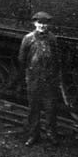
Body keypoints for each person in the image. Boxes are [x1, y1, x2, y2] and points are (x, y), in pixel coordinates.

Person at [18, 11, 60, 146]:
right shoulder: (28, 39)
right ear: (35, 23)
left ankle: (51, 135)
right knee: (33, 109)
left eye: (45, 23)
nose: (42, 26)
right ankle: (33, 136)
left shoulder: (53, 39)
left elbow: (57, 59)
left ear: (48, 25)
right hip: (34, 79)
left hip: (48, 80)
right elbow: (22, 59)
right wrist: (27, 76)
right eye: (40, 23)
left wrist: (54, 76)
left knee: (51, 109)